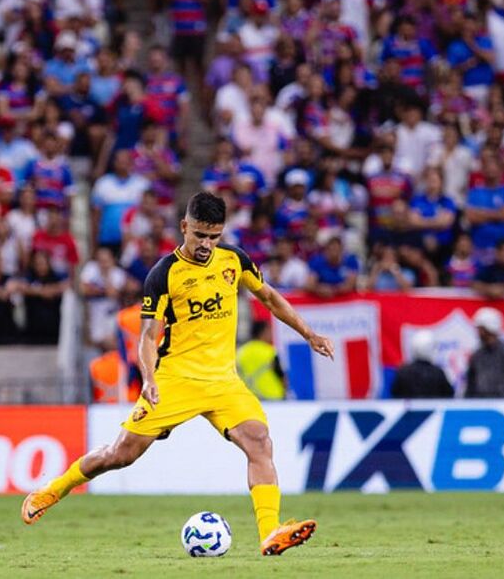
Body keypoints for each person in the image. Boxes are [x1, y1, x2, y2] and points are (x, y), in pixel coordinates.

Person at [22, 192, 335, 557]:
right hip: (175, 379)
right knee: (120, 454)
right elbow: (147, 337)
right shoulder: (164, 274)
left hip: (223, 381)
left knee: (260, 441)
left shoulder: (234, 260)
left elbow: (268, 297)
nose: (206, 244)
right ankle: (53, 489)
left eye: (214, 236)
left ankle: (270, 532)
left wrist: (308, 332)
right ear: (184, 227)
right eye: (200, 235)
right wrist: (151, 380)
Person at [464, 307, 504, 398]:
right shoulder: (477, 355)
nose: (478, 333)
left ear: (489, 328)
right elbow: (471, 384)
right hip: (480, 404)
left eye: (481, 329)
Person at [390, 329, 454, 399]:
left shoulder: (403, 372)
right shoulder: (437, 373)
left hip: (410, 410)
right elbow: (449, 395)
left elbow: (395, 394)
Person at [237, 322, 287, 401]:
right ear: (263, 333)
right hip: (273, 396)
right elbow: (282, 377)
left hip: (250, 397)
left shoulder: (241, 351)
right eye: (269, 331)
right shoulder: (270, 351)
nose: (271, 334)